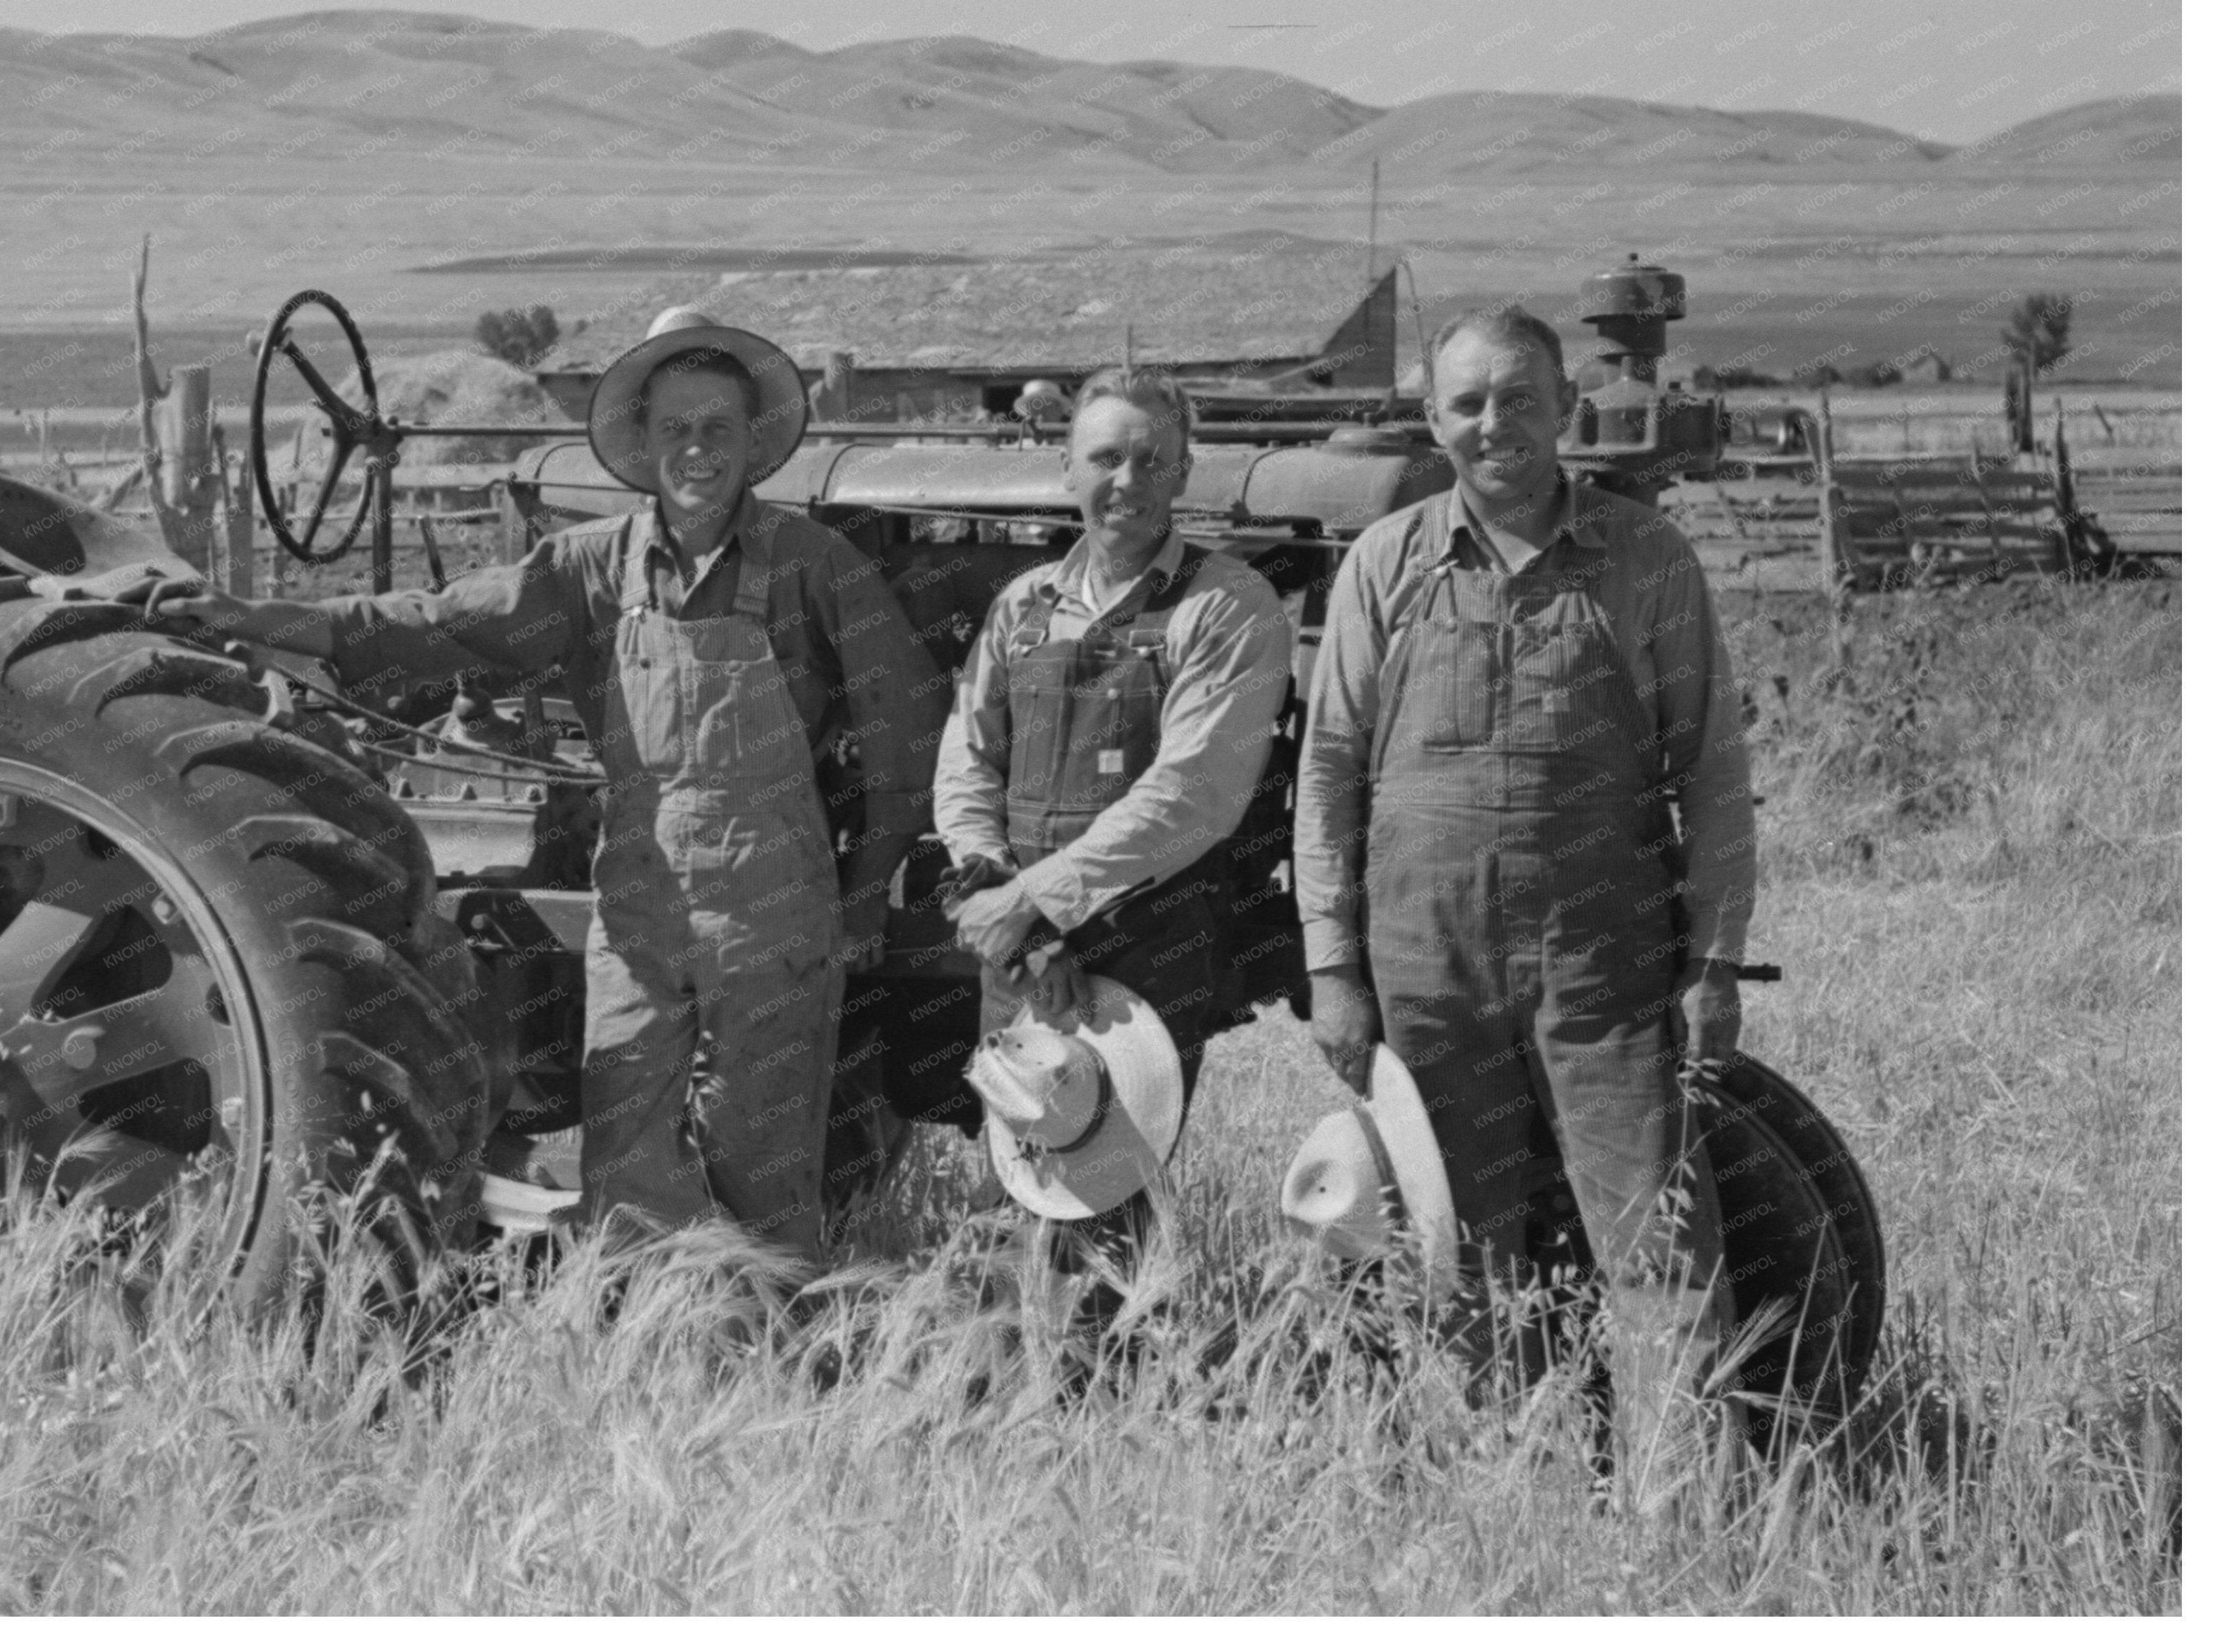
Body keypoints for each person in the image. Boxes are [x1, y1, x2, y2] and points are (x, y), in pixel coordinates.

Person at [127, 322, 945, 1267]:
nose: (696, 451)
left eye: (718, 430)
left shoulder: (812, 565)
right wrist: (272, 620)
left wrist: (862, 888)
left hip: (773, 912)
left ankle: (768, 1367)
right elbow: (444, 626)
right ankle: (652, 1351)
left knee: (759, 1155)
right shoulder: (591, 566)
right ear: (644, 443)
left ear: (753, 441)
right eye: (675, 429)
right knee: (624, 1138)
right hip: (638, 903)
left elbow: (904, 729)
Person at [1291, 304, 1756, 1499]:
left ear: (1564, 409)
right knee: (1461, 1243)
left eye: (1518, 398)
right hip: (1421, 953)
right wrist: (1333, 966)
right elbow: (1330, 767)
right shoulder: (1385, 563)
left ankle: (1685, 1504)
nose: (1493, 424)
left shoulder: (1643, 558)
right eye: (1466, 402)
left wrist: (1712, 961)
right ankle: (1519, 1492)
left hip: (1600, 952)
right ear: (1432, 418)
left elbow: (1707, 767)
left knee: (1653, 1237)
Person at [933, 366, 1292, 1294]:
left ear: (1183, 474)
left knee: (1113, 1191)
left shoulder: (1225, 607)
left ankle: (1115, 1396)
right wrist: (984, 884)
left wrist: (1030, 904)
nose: (1124, 480)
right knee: (1017, 1170)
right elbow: (966, 760)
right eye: (1104, 457)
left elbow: (1190, 796)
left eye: (1149, 459)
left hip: (1148, 949)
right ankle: (1016, 1387)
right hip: (1011, 945)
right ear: (1065, 469)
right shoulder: (1020, 609)